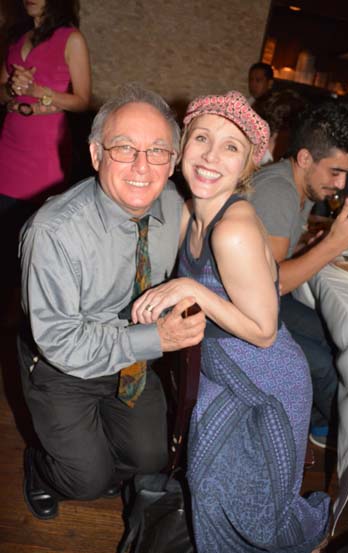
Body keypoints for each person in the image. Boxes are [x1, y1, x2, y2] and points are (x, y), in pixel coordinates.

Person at [131, 91, 331, 553]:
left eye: (230, 148)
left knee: (245, 504)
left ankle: (301, 533)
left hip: (267, 382)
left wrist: (193, 290)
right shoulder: (187, 210)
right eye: (201, 138)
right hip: (224, 368)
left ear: (246, 167)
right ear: (182, 145)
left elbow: (265, 331)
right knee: (209, 480)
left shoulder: (233, 229)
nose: (209, 156)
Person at [18, 83, 206, 521]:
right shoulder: (53, 232)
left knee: (148, 459)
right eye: (123, 148)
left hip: (130, 362)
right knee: (84, 481)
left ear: (173, 161)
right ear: (96, 155)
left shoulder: (174, 206)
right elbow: (61, 342)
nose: (142, 166)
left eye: (158, 151)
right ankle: (44, 469)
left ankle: (89, 454)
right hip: (60, 366)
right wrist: (155, 337)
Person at [249, 101, 348, 448]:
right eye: (335, 172)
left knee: (334, 332)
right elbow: (271, 283)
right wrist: (332, 245)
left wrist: (316, 244)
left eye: (346, 173)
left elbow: (264, 261)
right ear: (305, 158)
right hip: (239, 314)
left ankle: (317, 419)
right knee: (326, 364)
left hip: (260, 303)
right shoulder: (278, 191)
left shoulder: (300, 185)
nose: (341, 184)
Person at [0, 0, 91, 317]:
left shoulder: (71, 38)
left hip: (46, 155)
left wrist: (40, 92)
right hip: (9, 148)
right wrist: (13, 89)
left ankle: (32, 319)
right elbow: (2, 92)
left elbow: (82, 100)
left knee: (34, 244)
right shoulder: (16, 36)